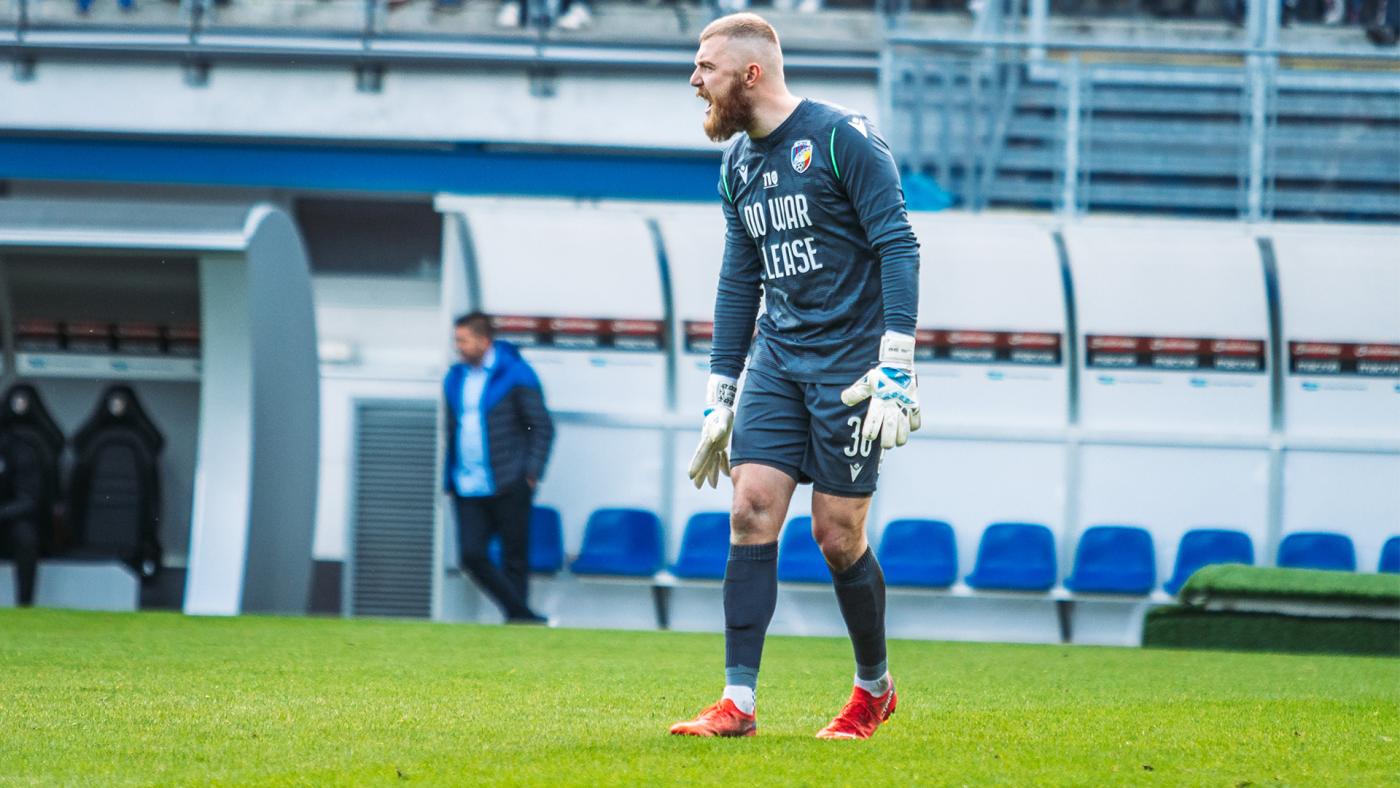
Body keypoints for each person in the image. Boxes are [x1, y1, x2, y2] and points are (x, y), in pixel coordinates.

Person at [670, 13, 921, 740]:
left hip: (850, 369)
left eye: (706, 67)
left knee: (836, 535)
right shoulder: (737, 166)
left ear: (750, 74)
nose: (694, 80)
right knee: (749, 510)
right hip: (777, 361)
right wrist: (721, 393)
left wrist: (896, 364)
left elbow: (899, 245)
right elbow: (738, 280)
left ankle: (873, 689)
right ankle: (737, 703)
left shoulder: (843, 138)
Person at [443, 312, 555, 624]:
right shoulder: (455, 377)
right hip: (467, 482)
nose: (459, 346)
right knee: (471, 554)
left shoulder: (516, 374)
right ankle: (523, 614)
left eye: (463, 340)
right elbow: (453, 429)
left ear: (483, 340)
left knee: (514, 558)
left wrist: (530, 472)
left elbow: (539, 425)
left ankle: (516, 623)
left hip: (509, 480)